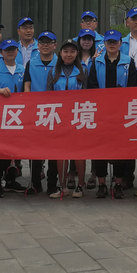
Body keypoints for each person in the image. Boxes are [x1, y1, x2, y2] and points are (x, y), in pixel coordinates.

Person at [87, 29, 137, 198]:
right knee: (100, 149)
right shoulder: (96, 62)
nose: (112, 44)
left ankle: (118, 184)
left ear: (120, 44)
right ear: (104, 43)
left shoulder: (128, 62)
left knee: (119, 149)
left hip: (121, 113)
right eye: (109, 42)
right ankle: (101, 184)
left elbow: (133, 87)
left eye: (115, 42)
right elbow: (92, 86)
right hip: (101, 113)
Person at [0, 39, 25, 198]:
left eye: (13, 49)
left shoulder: (22, 69)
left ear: (17, 51)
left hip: (17, 117)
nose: (10, 52)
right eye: (7, 49)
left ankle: (10, 179)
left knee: (14, 151)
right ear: (1, 52)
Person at [46, 39, 88, 198]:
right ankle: (63, 186)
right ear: (60, 53)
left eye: (72, 51)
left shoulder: (83, 71)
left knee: (78, 153)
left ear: (77, 53)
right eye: (65, 51)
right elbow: (48, 95)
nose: (69, 54)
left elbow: (88, 95)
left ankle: (80, 185)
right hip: (59, 118)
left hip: (78, 117)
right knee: (60, 153)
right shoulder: (53, 72)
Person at [24, 31, 59, 195]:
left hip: (56, 112)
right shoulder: (31, 63)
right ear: (38, 45)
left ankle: (52, 183)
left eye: (49, 42)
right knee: (35, 149)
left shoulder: (60, 63)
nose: (45, 45)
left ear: (55, 45)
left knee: (54, 150)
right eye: (42, 42)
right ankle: (35, 182)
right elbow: (27, 85)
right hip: (36, 111)